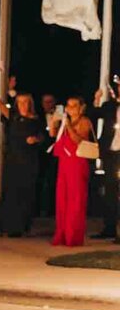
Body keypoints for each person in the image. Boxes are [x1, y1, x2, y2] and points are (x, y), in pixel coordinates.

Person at [0, 76, 45, 236]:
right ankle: (8, 225)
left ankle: (22, 226)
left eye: (26, 102)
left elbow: (43, 137)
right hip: (13, 159)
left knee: (25, 193)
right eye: (21, 102)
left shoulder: (36, 119)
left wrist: (36, 139)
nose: (24, 105)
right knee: (11, 192)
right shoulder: (13, 116)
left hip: (29, 161)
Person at [49, 95, 95, 247]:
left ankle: (73, 236)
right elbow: (53, 136)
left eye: (74, 106)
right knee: (62, 199)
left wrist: (68, 125)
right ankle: (61, 233)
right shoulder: (64, 122)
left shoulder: (84, 121)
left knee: (75, 200)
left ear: (81, 107)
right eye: (68, 106)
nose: (70, 109)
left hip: (77, 163)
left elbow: (78, 140)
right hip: (64, 163)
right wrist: (54, 123)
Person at [90, 79, 120, 242]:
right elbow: (94, 116)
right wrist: (96, 100)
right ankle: (109, 228)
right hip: (111, 153)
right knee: (110, 192)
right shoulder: (109, 106)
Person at [37, 94, 61, 217]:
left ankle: (52, 209)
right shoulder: (39, 117)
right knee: (39, 178)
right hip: (41, 152)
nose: (48, 104)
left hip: (57, 152)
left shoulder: (60, 116)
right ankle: (38, 208)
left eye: (50, 101)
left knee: (54, 180)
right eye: (45, 102)